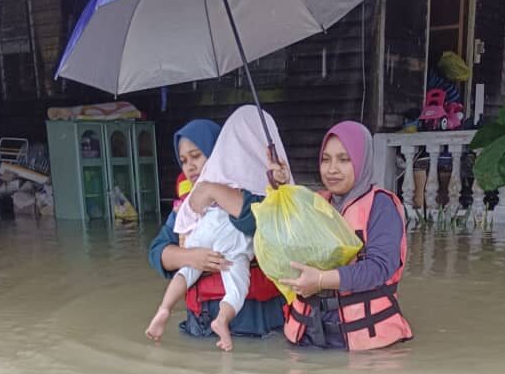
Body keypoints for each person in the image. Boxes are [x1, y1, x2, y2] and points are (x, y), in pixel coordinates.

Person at [146, 114, 285, 342]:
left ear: (220, 153)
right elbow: (157, 252)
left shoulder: (253, 187)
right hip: (201, 324)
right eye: (183, 160)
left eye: (196, 156)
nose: (190, 166)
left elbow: (260, 223)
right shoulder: (187, 205)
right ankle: (165, 309)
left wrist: (214, 191)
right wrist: (191, 257)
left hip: (256, 320)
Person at [276, 121, 413, 350]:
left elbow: (379, 268)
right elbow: (283, 231)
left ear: (361, 161)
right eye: (326, 159)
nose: (332, 169)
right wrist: (280, 185)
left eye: (344, 159)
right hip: (308, 334)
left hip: (364, 345)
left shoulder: (381, 206)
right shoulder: (318, 203)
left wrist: (320, 281)